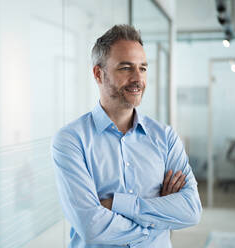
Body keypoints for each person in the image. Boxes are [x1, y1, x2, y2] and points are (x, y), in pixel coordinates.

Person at [51, 24, 202, 248]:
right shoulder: (71, 141)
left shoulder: (166, 138)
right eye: (125, 68)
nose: (137, 79)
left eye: (142, 68)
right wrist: (157, 217)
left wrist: (116, 205)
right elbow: (91, 226)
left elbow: (191, 211)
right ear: (98, 74)